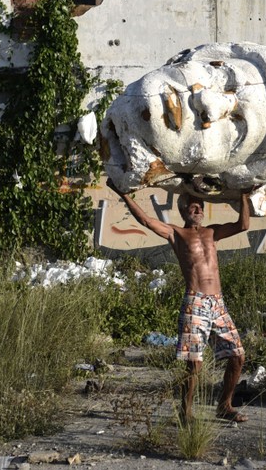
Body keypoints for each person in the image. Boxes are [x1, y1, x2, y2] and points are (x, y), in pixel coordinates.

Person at [107, 179, 250, 423]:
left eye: (201, 206)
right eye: (193, 207)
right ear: (183, 209)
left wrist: (244, 195)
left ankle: (224, 406)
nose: (198, 210)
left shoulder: (213, 232)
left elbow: (243, 225)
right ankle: (186, 413)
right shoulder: (176, 233)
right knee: (193, 364)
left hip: (218, 303)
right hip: (195, 302)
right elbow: (145, 221)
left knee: (238, 356)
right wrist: (122, 193)